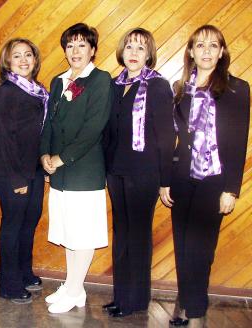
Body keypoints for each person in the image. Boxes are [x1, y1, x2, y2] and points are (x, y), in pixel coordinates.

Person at [162, 25, 250, 328]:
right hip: (181, 177)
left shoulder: (238, 89)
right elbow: (172, 139)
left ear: (222, 51)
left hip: (214, 180)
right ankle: (185, 301)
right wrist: (165, 180)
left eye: (214, 46)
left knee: (201, 248)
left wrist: (231, 189)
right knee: (183, 245)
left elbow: (238, 143)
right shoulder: (180, 89)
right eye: (200, 45)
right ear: (190, 51)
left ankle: (195, 312)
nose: (207, 51)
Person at [102, 28, 175, 317]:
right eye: (129, 47)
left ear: (149, 54)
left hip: (144, 175)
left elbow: (167, 137)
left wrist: (166, 181)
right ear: (122, 51)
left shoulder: (158, 86)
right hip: (116, 172)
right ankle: (121, 297)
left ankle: (136, 300)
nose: (133, 53)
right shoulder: (114, 85)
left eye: (140, 48)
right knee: (121, 234)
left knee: (138, 237)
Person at [40, 23, 112, 314]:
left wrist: (61, 158)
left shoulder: (101, 79)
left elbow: (93, 128)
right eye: (70, 45)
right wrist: (44, 155)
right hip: (59, 172)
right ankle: (74, 287)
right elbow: (49, 123)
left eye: (82, 45)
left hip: (84, 170)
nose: (75, 51)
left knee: (82, 233)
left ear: (93, 50)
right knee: (69, 231)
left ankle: (72, 289)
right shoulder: (58, 81)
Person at [0, 38, 48, 304]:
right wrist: (17, 178)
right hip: (11, 170)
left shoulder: (38, 90)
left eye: (28, 55)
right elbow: (6, 139)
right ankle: (8, 283)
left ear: (35, 60)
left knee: (29, 221)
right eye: (17, 56)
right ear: (8, 62)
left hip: (33, 168)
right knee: (13, 224)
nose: (24, 60)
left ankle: (24, 272)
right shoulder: (6, 92)